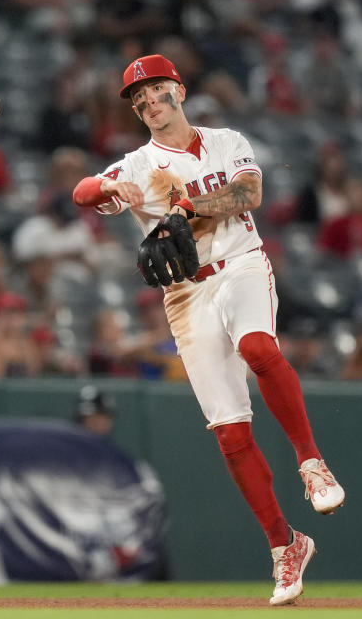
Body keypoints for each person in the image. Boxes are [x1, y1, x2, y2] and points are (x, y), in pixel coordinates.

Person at [71, 54, 344, 606]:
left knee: (257, 345)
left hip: (242, 263)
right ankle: (285, 546)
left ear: (179, 88)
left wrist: (187, 205)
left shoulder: (225, 141)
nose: (147, 103)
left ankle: (311, 464)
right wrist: (109, 190)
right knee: (230, 432)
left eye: (154, 90)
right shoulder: (140, 164)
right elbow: (81, 191)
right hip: (187, 293)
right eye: (137, 99)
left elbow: (249, 196)